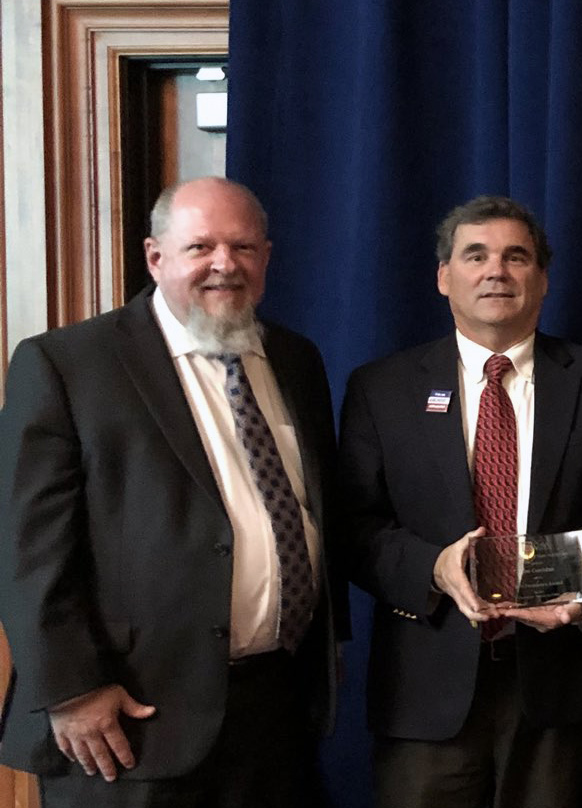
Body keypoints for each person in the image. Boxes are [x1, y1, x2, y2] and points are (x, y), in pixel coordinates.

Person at [0, 177, 340, 807]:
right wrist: (72, 689)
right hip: (127, 719)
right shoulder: (70, 363)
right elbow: (26, 548)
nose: (224, 265)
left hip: (275, 711)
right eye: (200, 247)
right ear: (155, 257)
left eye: (242, 247)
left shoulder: (296, 359)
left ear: (266, 257)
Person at [337, 195, 582, 807]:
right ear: (443, 276)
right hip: (425, 687)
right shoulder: (381, 388)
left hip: (559, 685)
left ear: (542, 278)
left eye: (517, 257)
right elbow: (353, 528)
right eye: (476, 255)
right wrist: (432, 566)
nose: (497, 271)